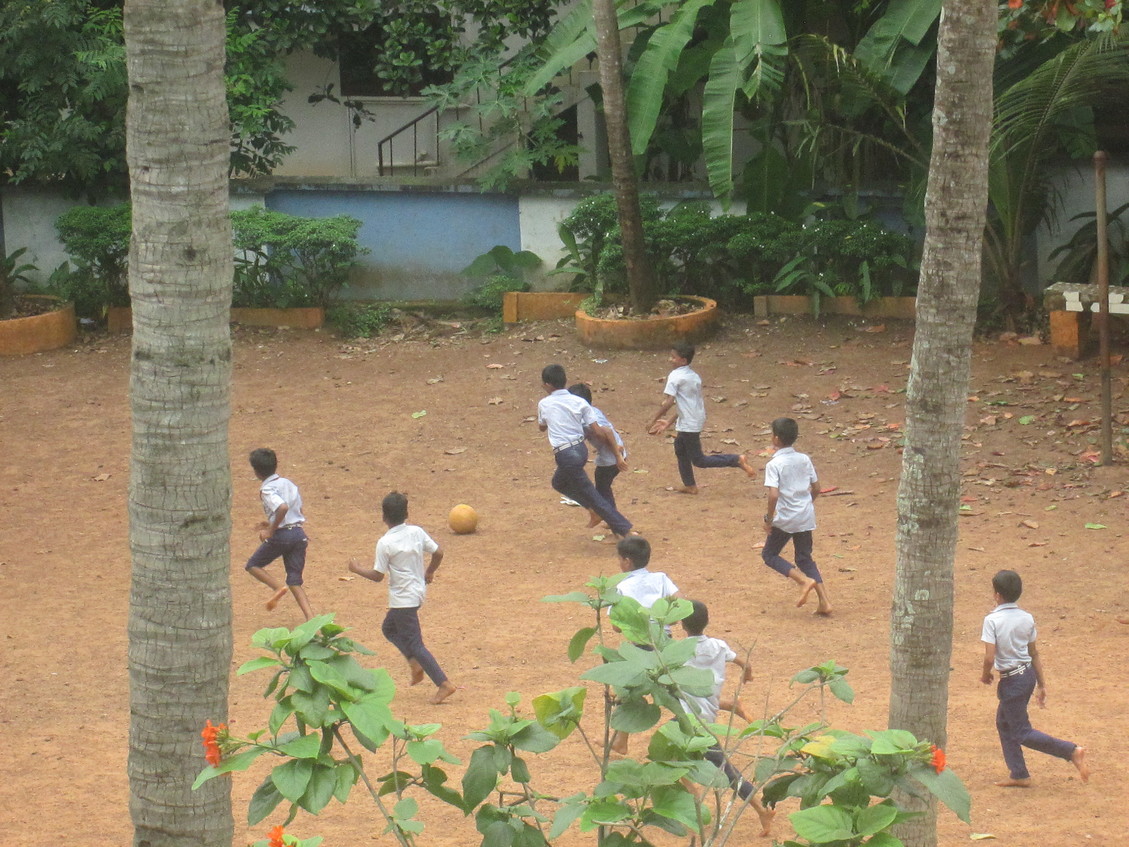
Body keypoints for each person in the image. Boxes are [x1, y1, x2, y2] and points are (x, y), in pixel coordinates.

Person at [980, 569, 1088, 787]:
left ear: (997, 595)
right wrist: (1041, 684)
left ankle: (1070, 751)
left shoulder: (992, 620)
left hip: (1011, 681)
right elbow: (1034, 653)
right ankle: (1018, 773)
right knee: (1004, 722)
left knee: (1022, 731)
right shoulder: (1027, 618)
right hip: (1027, 675)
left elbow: (989, 656)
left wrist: (985, 675)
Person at [349, 491, 456, 705]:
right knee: (389, 628)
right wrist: (430, 571)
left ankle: (443, 683)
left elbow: (377, 576)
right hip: (416, 593)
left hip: (402, 599)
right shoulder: (416, 532)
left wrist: (356, 569)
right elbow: (438, 553)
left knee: (415, 643)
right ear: (406, 513)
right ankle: (414, 663)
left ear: (383, 517)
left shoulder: (385, 543)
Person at [679, 600, 774, 837]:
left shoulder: (680, 651)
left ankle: (697, 798)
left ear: (682, 624)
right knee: (681, 761)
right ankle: (696, 799)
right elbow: (745, 663)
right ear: (707, 621)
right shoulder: (719, 646)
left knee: (722, 770)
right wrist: (747, 675)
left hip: (692, 720)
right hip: (707, 714)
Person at [538, 364, 633, 537]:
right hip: (580, 451)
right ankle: (594, 511)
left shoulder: (545, 403)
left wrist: (616, 452)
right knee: (559, 482)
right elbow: (599, 431)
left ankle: (623, 530)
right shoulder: (580, 402)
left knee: (593, 494)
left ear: (547, 385)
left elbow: (542, 426)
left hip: (566, 454)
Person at [647, 342, 755, 494]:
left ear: (683, 360)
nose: (670, 359)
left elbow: (669, 402)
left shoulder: (675, 376)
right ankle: (689, 485)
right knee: (680, 448)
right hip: (694, 418)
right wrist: (669, 422)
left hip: (689, 423)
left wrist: (653, 419)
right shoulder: (693, 376)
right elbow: (686, 404)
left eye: (673, 357)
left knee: (699, 460)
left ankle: (735, 460)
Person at [610, 536, 677, 755]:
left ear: (627, 561)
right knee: (680, 691)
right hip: (665, 642)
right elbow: (679, 606)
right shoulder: (661, 578)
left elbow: (616, 627)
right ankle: (730, 705)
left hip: (640, 646)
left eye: (620, 559)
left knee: (626, 690)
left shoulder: (621, 587)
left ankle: (621, 740)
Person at [760, 417, 832, 616]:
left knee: (769, 554)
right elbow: (817, 488)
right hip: (805, 515)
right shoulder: (804, 459)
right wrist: (807, 504)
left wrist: (769, 519)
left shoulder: (774, 464)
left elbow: (773, 494)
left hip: (786, 518)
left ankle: (803, 581)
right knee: (804, 558)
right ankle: (824, 601)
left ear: (776, 438)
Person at [244, 448, 315, 620]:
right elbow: (295, 511)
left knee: (253, 565)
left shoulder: (267, 489)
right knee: (295, 581)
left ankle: (277, 587)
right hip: (298, 534)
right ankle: (311, 618)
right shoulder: (288, 483)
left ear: (256, 471)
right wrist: (271, 523)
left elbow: (282, 507)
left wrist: (271, 530)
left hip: (282, 536)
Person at [568, 383, 629, 529]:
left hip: (611, 459)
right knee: (603, 488)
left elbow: (606, 432)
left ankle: (614, 521)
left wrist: (617, 454)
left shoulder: (587, 418)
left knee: (602, 490)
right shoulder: (592, 411)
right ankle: (612, 519)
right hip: (613, 455)